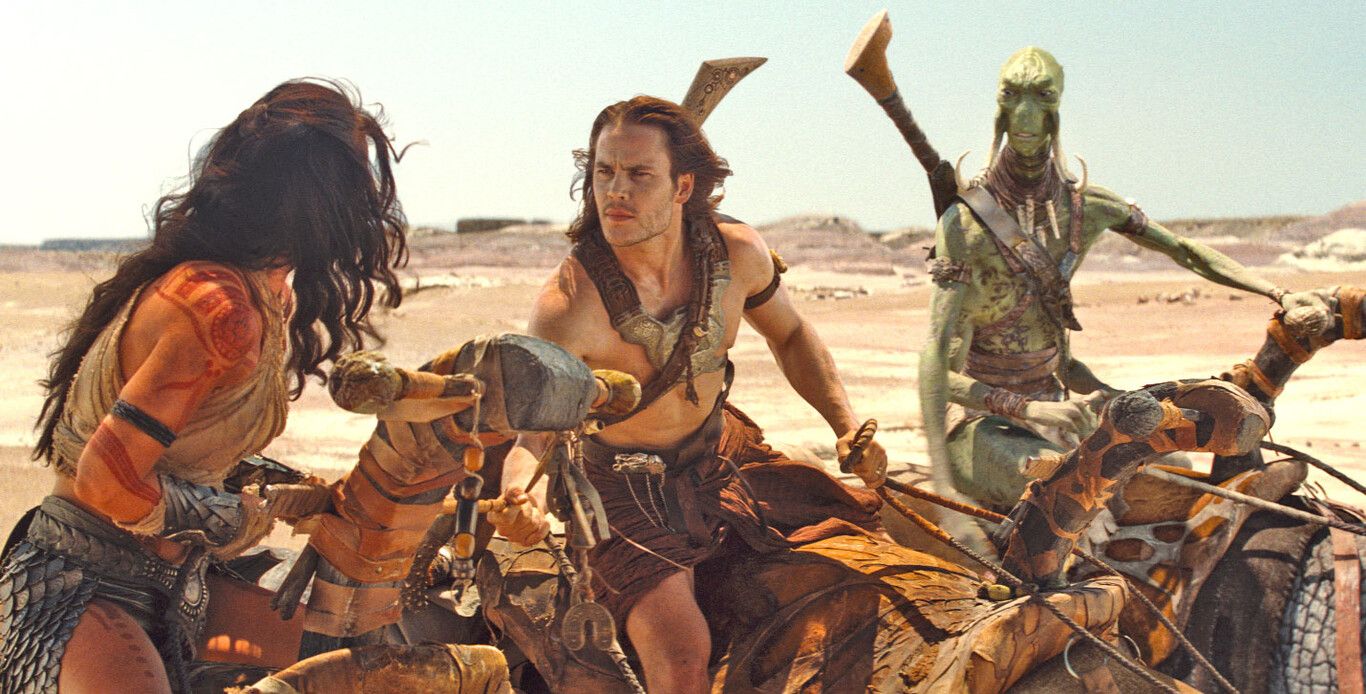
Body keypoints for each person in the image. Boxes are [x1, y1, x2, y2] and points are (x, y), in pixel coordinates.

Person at [0, 79, 409, 694]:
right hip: (82, 585)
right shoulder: (215, 307)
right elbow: (103, 480)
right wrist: (235, 518)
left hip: (176, 584)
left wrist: (305, 493)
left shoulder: (268, 293)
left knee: (363, 652)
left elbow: (191, 452)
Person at [487, 95, 888, 693]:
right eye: (604, 172)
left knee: (861, 546)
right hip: (621, 491)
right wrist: (522, 497)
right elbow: (535, 437)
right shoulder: (568, 306)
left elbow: (791, 334)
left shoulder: (737, 253)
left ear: (683, 187)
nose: (615, 191)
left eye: (639, 174)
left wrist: (845, 426)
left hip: (721, 458)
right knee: (680, 659)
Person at [918, 47, 1329, 512]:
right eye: (1012, 96)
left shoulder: (1086, 207)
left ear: (1056, 105)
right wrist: (1027, 412)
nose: (1026, 114)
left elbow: (1184, 250)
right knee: (1068, 486)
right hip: (980, 424)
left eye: (1042, 97)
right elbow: (933, 365)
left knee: (1175, 468)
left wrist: (1280, 294)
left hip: (1063, 410)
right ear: (1000, 105)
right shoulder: (964, 225)